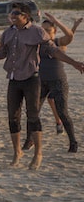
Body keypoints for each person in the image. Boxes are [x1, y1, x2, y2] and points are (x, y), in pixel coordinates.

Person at [0, 2, 84, 169]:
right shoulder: (7, 33)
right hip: (13, 78)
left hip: (32, 78)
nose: (12, 16)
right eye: (12, 13)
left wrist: (74, 63)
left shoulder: (37, 31)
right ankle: (17, 152)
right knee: (13, 116)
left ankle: (38, 153)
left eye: (16, 13)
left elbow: (54, 50)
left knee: (33, 115)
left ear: (25, 16)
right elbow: (2, 53)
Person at [28, 14, 81, 153]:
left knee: (62, 112)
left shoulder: (57, 42)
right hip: (40, 82)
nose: (45, 33)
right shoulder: (38, 44)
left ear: (54, 31)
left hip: (58, 81)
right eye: (43, 30)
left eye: (48, 30)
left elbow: (69, 36)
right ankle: (30, 140)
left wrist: (57, 22)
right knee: (33, 112)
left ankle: (73, 142)